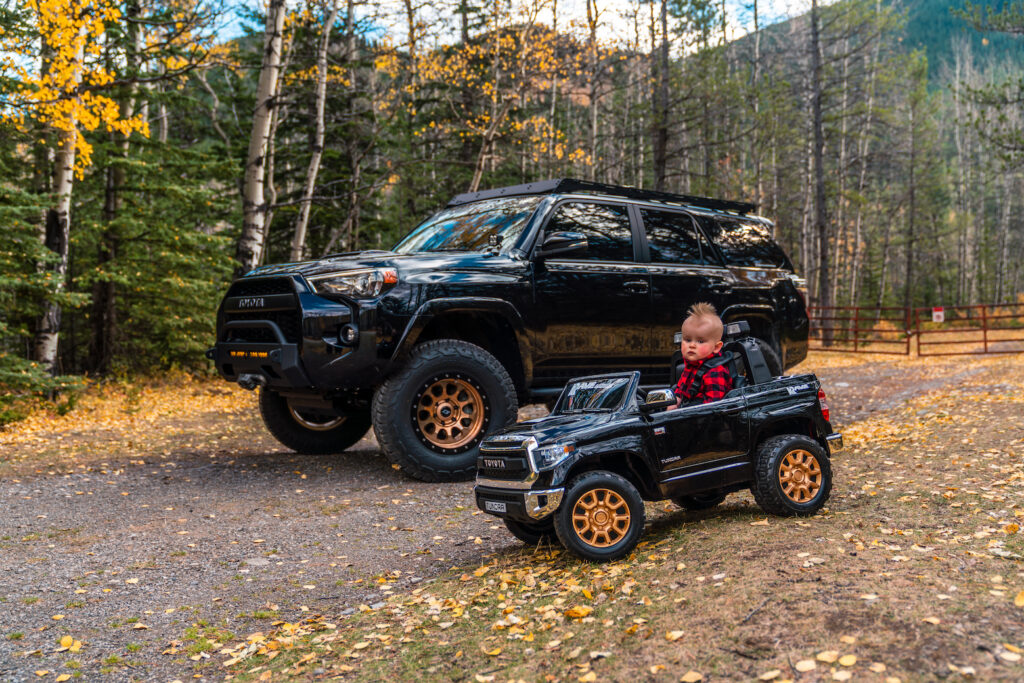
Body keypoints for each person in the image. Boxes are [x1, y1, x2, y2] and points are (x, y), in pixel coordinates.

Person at [669, 302, 733, 408]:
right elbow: (681, 390)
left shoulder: (715, 371)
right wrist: (674, 403)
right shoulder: (691, 365)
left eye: (700, 342)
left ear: (716, 347)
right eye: (688, 340)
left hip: (706, 419)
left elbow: (713, 406)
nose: (692, 345)